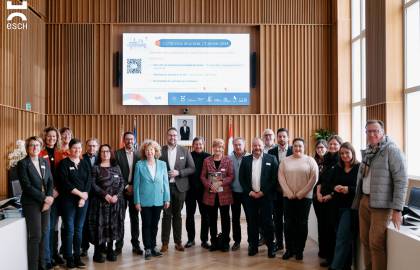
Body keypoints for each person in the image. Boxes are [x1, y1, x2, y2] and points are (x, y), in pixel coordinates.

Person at [352, 120, 408, 270]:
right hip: (365, 200)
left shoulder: (392, 150)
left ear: (382, 132)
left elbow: (401, 180)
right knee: (364, 241)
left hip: (382, 205)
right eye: (368, 131)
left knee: (375, 243)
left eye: (375, 131)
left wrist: (397, 209)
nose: (372, 134)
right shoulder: (368, 151)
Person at [279, 137, 318, 261]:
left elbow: (314, 178)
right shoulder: (285, 161)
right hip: (288, 197)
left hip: (305, 198)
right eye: (295, 146)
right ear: (292, 147)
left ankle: (299, 250)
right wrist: (288, 192)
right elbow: (281, 177)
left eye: (300, 146)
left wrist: (301, 193)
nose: (298, 148)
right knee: (288, 224)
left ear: (304, 147)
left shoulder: (310, 160)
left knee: (302, 224)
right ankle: (289, 249)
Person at [18, 136, 54, 270]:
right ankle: (33, 267)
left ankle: (42, 266)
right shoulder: (23, 164)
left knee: (45, 235)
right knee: (36, 236)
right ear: (27, 148)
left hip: (46, 202)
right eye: (32, 145)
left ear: (41, 147)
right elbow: (26, 186)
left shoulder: (43, 161)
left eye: (37, 145)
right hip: (32, 203)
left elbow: (50, 181)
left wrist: (49, 197)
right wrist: (44, 198)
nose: (35, 147)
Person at [239, 138, 279, 258]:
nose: (257, 148)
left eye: (259, 146)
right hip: (250, 197)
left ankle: (271, 248)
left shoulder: (271, 159)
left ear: (263, 146)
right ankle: (253, 246)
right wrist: (250, 192)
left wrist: (263, 192)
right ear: (252, 146)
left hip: (266, 197)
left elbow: (274, 178)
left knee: (268, 223)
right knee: (252, 223)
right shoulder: (245, 160)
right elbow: (242, 179)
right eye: (255, 146)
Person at [133, 140, 170, 260]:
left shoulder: (162, 164)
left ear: (155, 151)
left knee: (155, 225)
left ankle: (154, 247)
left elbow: (165, 183)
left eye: (152, 149)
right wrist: (137, 201)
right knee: (146, 224)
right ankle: (147, 248)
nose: (150, 152)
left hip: (159, 200)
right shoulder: (139, 164)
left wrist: (167, 199)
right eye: (147, 150)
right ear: (144, 152)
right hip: (144, 200)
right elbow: (136, 185)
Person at [160, 127, 195, 252]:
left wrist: (179, 172)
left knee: (178, 215)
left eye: (174, 135)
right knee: (166, 215)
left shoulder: (184, 151)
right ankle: (164, 243)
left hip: (180, 188)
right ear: (166, 136)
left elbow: (192, 168)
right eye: (170, 135)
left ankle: (178, 242)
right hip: (165, 188)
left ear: (178, 137)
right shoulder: (160, 150)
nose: (172, 137)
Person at [58, 138, 91, 268]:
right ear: (69, 149)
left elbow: (88, 181)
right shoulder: (64, 164)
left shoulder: (85, 164)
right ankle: (69, 257)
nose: (77, 150)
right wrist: (80, 194)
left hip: (83, 202)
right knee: (69, 229)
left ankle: (77, 257)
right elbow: (65, 183)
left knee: (79, 230)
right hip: (68, 201)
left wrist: (84, 197)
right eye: (74, 148)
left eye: (79, 148)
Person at [89, 144, 125, 263]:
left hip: (115, 203)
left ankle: (110, 250)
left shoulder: (116, 167)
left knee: (112, 226)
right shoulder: (96, 168)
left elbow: (122, 183)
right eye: (103, 152)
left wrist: (116, 196)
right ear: (100, 154)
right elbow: (93, 185)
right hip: (100, 204)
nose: (105, 154)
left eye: (107, 151)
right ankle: (98, 252)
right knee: (100, 227)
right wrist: (105, 195)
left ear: (111, 153)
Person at [326, 142, 359, 270]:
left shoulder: (359, 167)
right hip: (335, 207)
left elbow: (362, 188)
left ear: (352, 153)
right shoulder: (337, 167)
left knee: (342, 237)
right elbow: (328, 184)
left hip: (350, 208)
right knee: (344, 238)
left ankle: (335, 267)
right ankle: (346, 266)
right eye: (342, 153)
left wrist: (348, 189)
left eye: (347, 153)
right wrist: (335, 187)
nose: (344, 155)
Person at [313, 135, 343, 267]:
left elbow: (340, 182)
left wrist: (330, 195)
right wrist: (318, 193)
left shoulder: (341, 160)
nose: (332, 147)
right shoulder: (325, 159)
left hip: (334, 200)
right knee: (323, 228)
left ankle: (333, 260)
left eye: (335, 144)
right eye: (330, 144)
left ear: (340, 146)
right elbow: (320, 180)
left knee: (331, 231)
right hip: (321, 199)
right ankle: (326, 254)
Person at [201, 139, 234, 252]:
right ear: (212, 148)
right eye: (215, 146)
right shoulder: (207, 160)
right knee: (212, 220)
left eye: (220, 147)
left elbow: (231, 176)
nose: (218, 149)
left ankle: (225, 243)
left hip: (224, 195)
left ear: (223, 148)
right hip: (210, 195)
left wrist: (220, 182)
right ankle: (214, 242)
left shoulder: (228, 160)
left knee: (225, 219)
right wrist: (210, 186)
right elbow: (202, 177)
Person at [114, 131, 142, 255]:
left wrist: (133, 186)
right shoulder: (117, 154)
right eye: (127, 139)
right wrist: (126, 186)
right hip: (121, 190)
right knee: (120, 218)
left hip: (135, 190)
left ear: (134, 140)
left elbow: (142, 173)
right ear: (124, 140)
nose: (130, 141)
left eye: (132, 139)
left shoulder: (140, 154)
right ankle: (118, 246)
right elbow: (116, 172)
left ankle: (136, 245)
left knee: (135, 218)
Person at [39, 127, 63, 269]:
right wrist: (49, 192)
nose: (51, 139)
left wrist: (57, 190)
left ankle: (54, 254)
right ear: (45, 137)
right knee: (47, 227)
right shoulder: (40, 153)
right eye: (49, 136)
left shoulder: (60, 153)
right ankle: (47, 258)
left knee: (55, 227)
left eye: (54, 136)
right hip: (46, 196)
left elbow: (63, 175)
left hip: (58, 195)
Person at [267, 128, 293, 252]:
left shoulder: (294, 150)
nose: (281, 139)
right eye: (279, 137)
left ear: (288, 138)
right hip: (276, 192)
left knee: (289, 219)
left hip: (290, 191)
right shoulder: (271, 152)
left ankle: (290, 244)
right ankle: (279, 243)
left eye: (284, 136)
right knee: (277, 219)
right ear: (276, 138)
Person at [184, 137, 211, 249]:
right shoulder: (188, 156)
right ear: (193, 145)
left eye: (200, 144)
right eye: (196, 144)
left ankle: (204, 240)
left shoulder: (209, 157)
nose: (198, 146)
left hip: (204, 191)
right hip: (190, 191)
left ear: (203, 145)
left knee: (205, 216)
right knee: (190, 215)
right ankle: (191, 239)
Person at [229, 137, 249, 251]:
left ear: (244, 145)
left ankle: (252, 241)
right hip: (234, 193)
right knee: (235, 219)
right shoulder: (229, 158)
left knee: (250, 218)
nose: (237, 147)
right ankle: (237, 241)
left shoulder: (250, 157)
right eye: (235, 144)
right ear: (233, 145)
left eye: (240, 144)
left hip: (247, 193)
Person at [81, 138, 99, 257]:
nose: (92, 148)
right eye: (89, 145)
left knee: (98, 222)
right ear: (86, 146)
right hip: (85, 195)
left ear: (97, 147)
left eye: (94, 146)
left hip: (98, 195)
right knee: (85, 222)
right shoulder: (81, 158)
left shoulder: (102, 158)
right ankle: (84, 247)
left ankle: (99, 247)